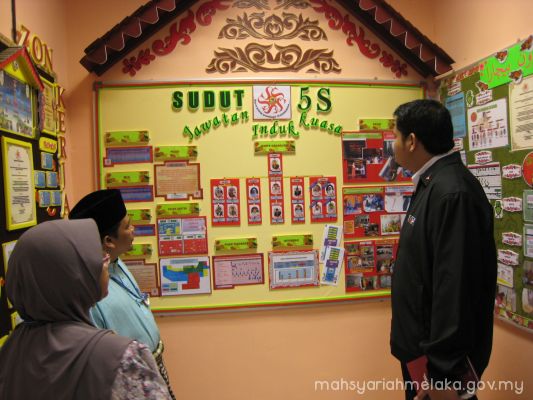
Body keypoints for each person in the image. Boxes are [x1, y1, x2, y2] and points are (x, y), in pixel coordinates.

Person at [390, 99, 497, 400]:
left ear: (412, 141)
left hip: (438, 370)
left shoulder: (453, 193)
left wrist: (442, 375)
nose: (392, 144)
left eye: (395, 136)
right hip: (421, 358)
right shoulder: (433, 183)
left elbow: (456, 289)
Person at [0, 219, 171, 400]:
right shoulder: (120, 358)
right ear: (73, 276)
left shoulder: (10, 350)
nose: (106, 262)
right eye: (98, 258)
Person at [69, 189, 175, 399]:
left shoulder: (116, 261)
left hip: (152, 367)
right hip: (128, 379)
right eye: (127, 226)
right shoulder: (91, 289)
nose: (133, 229)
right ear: (109, 241)